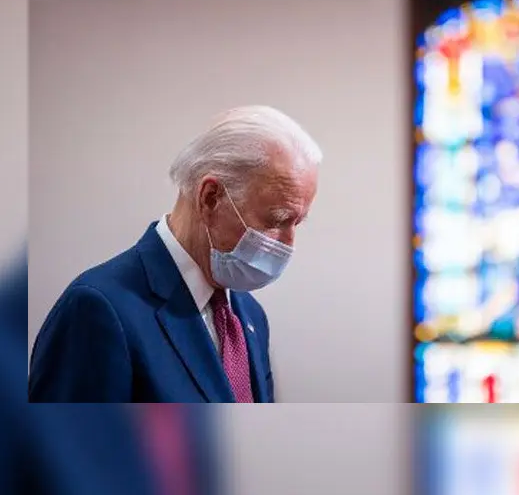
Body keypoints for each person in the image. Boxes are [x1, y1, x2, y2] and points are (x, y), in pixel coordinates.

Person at [29, 106, 321, 403]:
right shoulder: (98, 308)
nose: (288, 243)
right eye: (276, 220)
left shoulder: (250, 315)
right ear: (210, 198)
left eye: (298, 223)